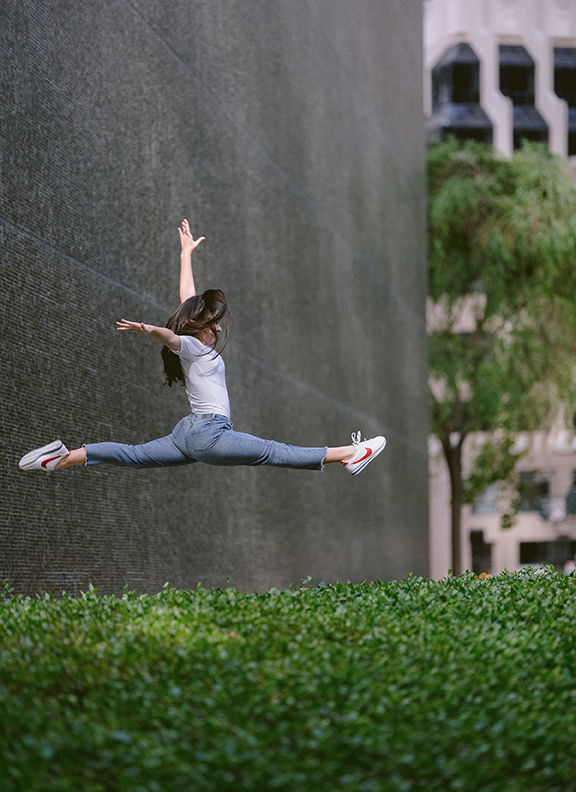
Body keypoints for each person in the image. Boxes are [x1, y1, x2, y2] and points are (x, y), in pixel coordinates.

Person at [19, 221, 386, 477]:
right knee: (273, 451)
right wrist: (148, 329)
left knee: (133, 455)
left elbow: (187, 301)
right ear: (200, 329)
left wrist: (185, 254)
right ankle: (351, 454)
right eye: (213, 324)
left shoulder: (196, 345)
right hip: (210, 435)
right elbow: (171, 337)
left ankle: (61, 458)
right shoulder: (194, 347)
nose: (219, 327)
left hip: (187, 435)